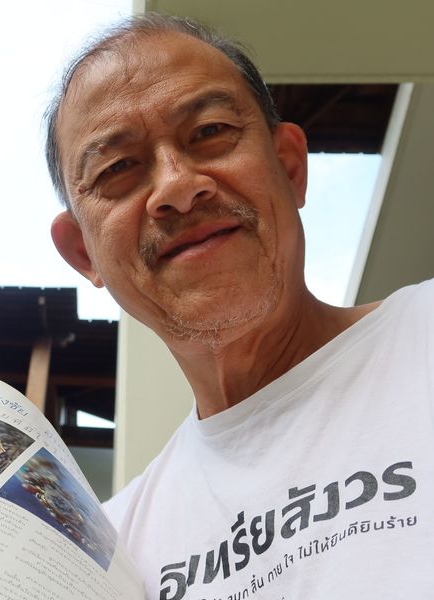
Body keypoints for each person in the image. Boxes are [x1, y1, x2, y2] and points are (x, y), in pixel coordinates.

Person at [47, 13, 432, 600]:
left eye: (210, 131)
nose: (178, 187)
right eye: (118, 168)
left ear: (290, 167)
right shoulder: (114, 558)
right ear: (84, 253)